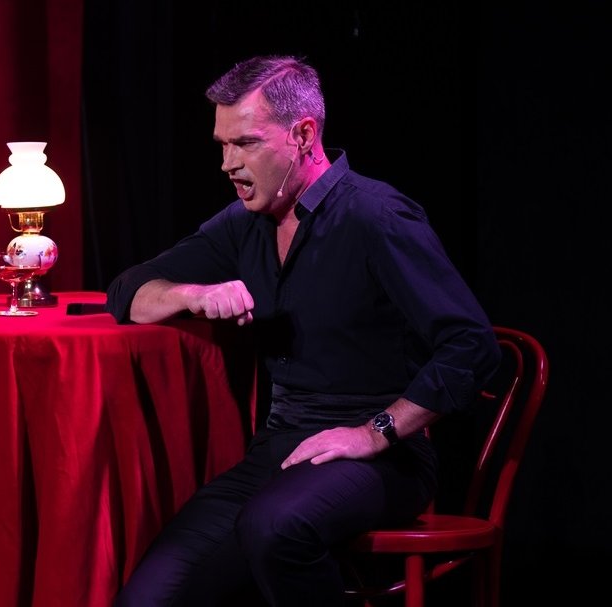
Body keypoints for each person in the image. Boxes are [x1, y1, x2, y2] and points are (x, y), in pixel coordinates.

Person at [105, 55, 502, 606]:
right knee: (146, 600)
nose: (226, 163)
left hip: (384, 457)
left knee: (274, 527)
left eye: (243, 143)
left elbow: (471, 347)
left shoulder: (376, 216)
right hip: (280, 449)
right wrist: (190, 295)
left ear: (303, 135)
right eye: (222, 145)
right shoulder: (245, 222)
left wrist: (373, 431)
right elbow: (128, 291)